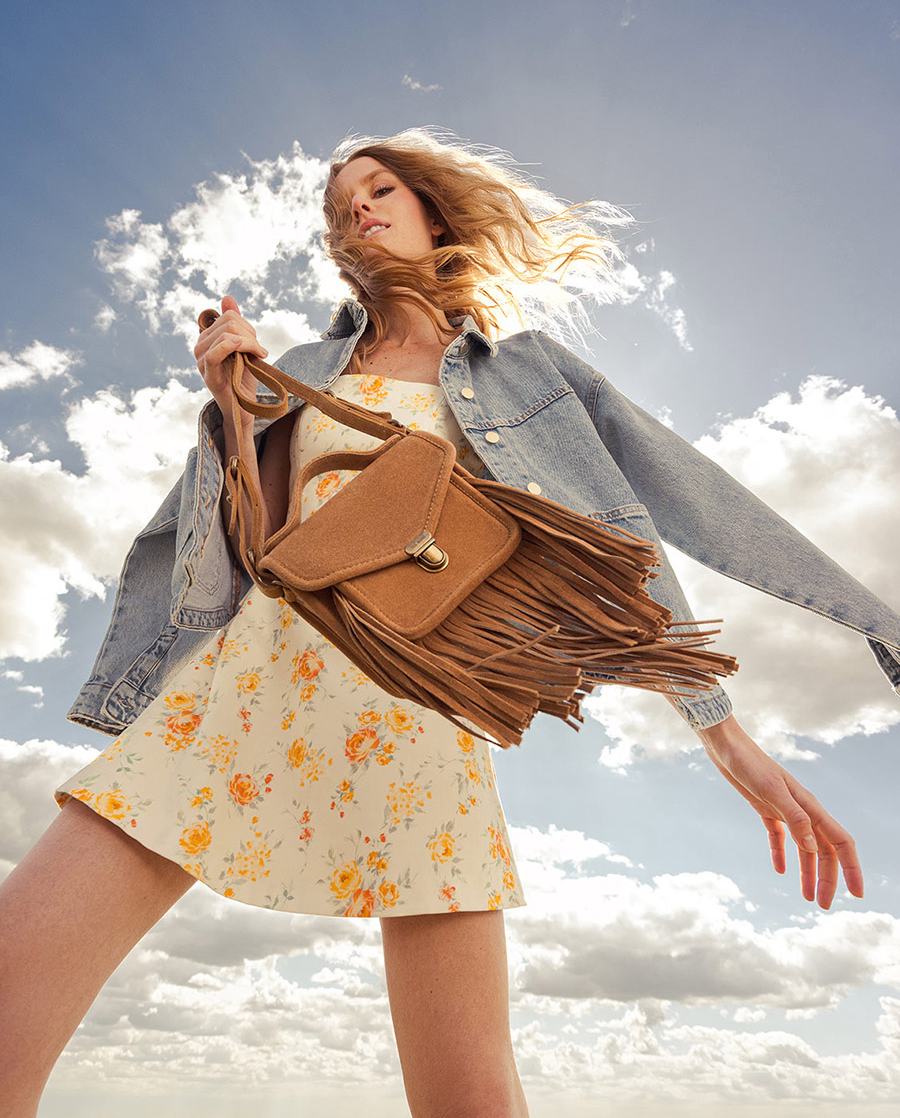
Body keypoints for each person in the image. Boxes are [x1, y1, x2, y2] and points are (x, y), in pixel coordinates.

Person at [1, 128, 897, 1118]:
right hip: (238, 697)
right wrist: (234, 414)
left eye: (381, 187)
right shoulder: (297, 367)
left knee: (470, 1104)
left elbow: (650, 521)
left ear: (433, 212)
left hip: (418, 730)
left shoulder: (528, 376)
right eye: (341, 202)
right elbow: (259, 554)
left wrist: (721, 730)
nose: (359, 206)